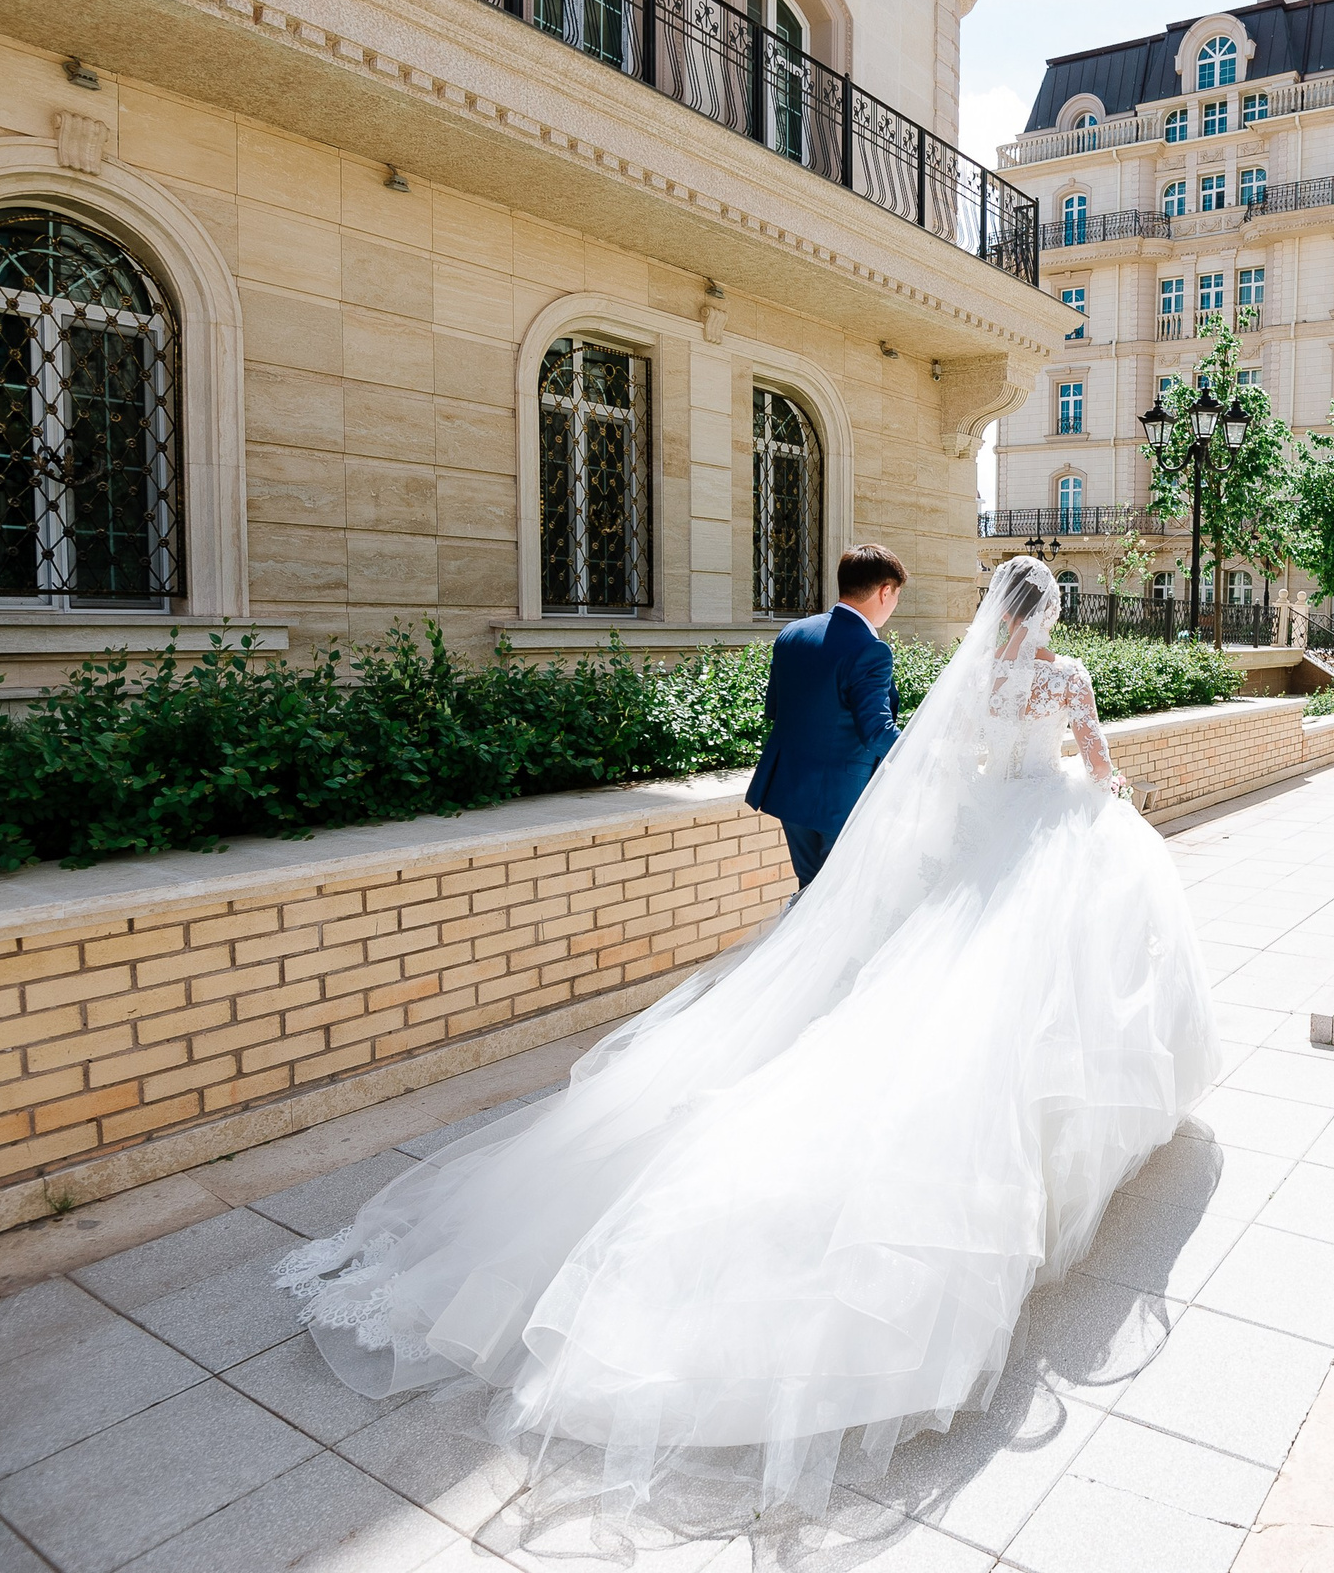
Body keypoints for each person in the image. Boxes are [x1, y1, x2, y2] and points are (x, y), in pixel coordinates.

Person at [274, 556, 1218, 1530]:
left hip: (974, 840)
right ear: (1047, 613)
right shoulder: (1066, 678)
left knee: (942, 1004)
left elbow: (948, 765)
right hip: (1041, 839)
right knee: (1038, 1003)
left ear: (993, 612)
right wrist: (1108, 791)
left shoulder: (970, 679)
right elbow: (1094, 763)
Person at [747, 544, 906, 891]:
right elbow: (877, 732)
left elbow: (775, 707)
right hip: (840, 800)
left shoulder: (792, 633)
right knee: (840, 898)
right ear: (885, 591)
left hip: (790, 790)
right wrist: (925, 747)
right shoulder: (870, 649)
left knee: (809, 891)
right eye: (896, 596)